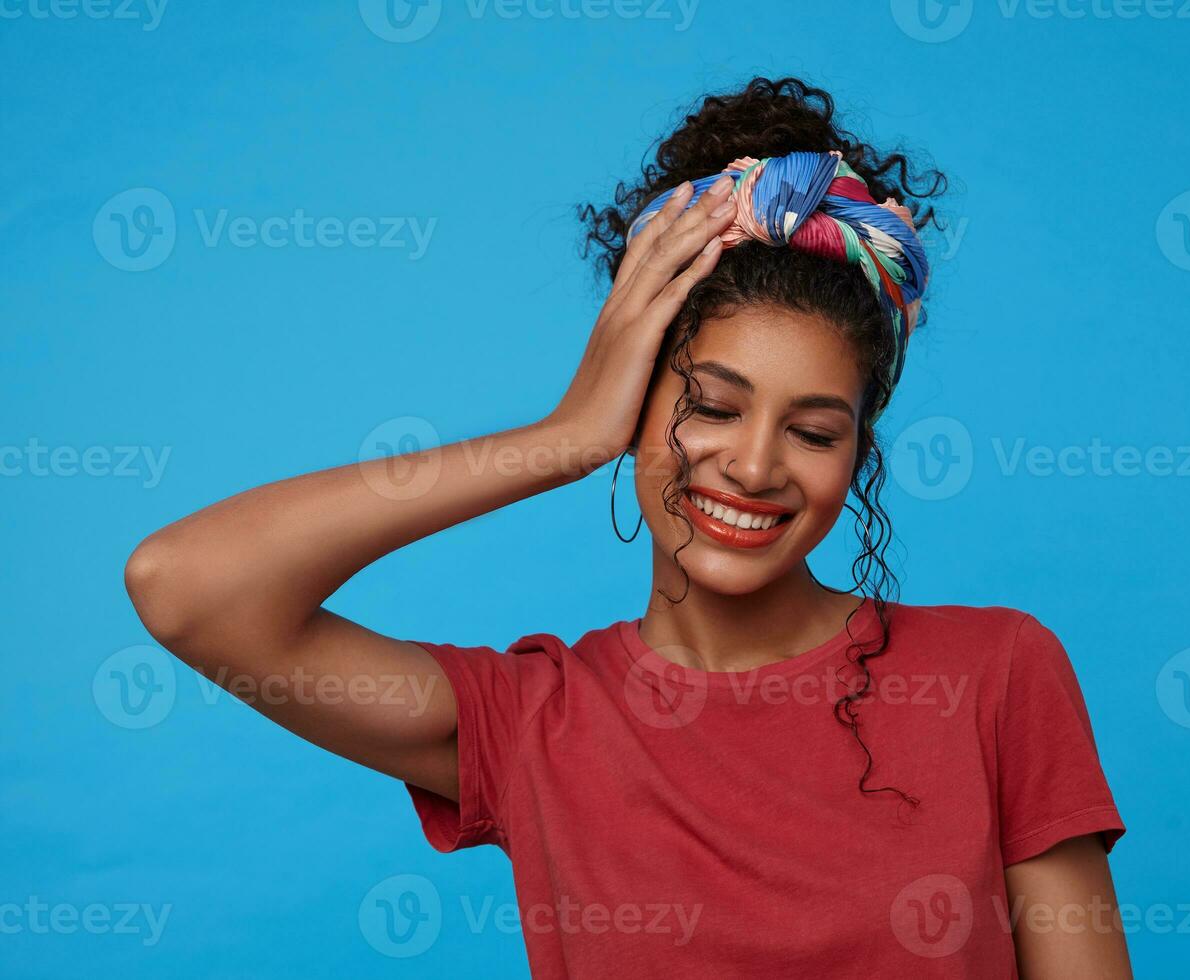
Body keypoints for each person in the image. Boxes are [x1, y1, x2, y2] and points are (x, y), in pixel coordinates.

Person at [124, 75, 1130, 979]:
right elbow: (184, 585)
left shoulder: (998, 673)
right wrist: (563, 437)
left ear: (859, 451)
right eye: (710, 404)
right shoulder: (535, 725)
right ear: (635, 401)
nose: (753, 464)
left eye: (814, 429)